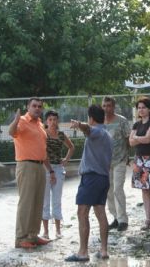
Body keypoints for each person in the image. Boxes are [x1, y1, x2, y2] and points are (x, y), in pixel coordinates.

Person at [65, 104, 113, 262]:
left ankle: (83, 252)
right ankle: (104, 250)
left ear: (91, 118)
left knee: (82, 213)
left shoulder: (97, 131)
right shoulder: (107, 134)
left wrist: (80, 125)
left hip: (92, 178)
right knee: (100, 213)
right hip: (103, 178)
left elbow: (87, 129)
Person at [9, 97, 53, 249]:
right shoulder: (21, 120)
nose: (37, 108)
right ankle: (21, 238)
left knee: (37, 202)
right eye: (34, 105)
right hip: (26, 165)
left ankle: (33, 235)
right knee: (26, 202)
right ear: (28, 106)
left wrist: (51, 170)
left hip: (40, 166)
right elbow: (11, 132)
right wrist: (15, 120)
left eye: (39, 106)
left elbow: (43, 149)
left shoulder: (40, 124)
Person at [41, 110, 74, 239]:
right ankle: (45, 231)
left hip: (59, 168)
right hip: (45, 168)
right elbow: (42, 154)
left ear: (58, 121)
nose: (53, 122)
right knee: (45, 201)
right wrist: (50, 171)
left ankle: (58, 230)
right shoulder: (43, 134)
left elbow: (71, 147)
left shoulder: (61, 135)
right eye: (50, 120)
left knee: (57, 200)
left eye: (55, 119)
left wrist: (65, 160)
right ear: (46, 121)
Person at [129, 97, 150, 230]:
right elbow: (130, 142)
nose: (140, 110)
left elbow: (149, 139)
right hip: (139, 159)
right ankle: (149, 218)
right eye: (139, 108)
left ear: (149, 109)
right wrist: (138, 138)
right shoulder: (136, 124)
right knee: (144, 189)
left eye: (143, 107)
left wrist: (137, 138)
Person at [102, 96, 131, 232]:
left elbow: (128, 139)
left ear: (113, 107)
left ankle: (123, 219)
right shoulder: (99, 121)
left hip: (120, 159)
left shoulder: (122, 120)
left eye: (109, 106)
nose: (106, 108)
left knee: (117, 188)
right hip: (105, 162)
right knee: (108, 190)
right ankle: (115, 217)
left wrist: (127, 156)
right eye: (104, 106)